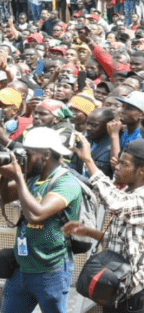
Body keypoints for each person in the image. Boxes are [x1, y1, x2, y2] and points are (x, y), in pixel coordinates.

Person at [66, 137, 144, 313]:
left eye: (123, 164)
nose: (117, 167)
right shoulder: (127, 192)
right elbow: (117, 241)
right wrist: (88, 232)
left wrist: (89, 161)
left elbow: (115, 203)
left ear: (142, 170)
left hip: (136, 290)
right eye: (118, 162)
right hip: (114, 285)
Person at [0, 128, 82, 313]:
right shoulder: (33, 178)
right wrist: (5, 177)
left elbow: (36, 214)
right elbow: (3, 197)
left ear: (46, 155)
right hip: (22, 268)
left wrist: (19, 177)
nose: (24, 159)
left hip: (51, 270)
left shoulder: (66, 183)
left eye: (28, 154)